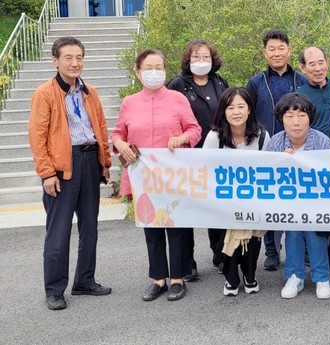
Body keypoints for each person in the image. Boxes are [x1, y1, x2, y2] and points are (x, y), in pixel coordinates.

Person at [28, 37, 113, 311]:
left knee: (90, 226)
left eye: (79, 57)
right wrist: (46, 173)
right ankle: (54, 289)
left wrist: (105, 162)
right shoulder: (45, 93)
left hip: (89, 159)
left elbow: (100, 127)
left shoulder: (90, 91)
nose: (75, 63)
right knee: (59, 230)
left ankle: (85, 280)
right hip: (62, 165)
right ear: (55, 60)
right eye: (68, 58)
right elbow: (37, 136)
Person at [112, 49, 201, 302]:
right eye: (148, 68)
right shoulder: (129, 102)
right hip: (143, 176)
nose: (154, 72)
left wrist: (182, 138)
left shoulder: (177, 99)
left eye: (159, 67)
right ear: (138, 73)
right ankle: (158, 278)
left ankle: (178, 278)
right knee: (151, 227)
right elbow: (118, 133)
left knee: (176, 226)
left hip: (173, 175)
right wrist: (120, 144)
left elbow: (194, 129)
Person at [167, 39, 229, 281]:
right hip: (186, 156)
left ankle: (220, 256)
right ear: (188, 60)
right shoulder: (177, 85)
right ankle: (187, 263)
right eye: (196, 57)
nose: (201, 61)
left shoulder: (220, 82)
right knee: (186, 209)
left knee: (216, 207)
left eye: (206, 57)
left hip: (216, 155)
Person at [246, 29, 306, 271]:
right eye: (272, 49)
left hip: (300, 148)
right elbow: (249, 115)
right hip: (269, 148)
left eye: (281, 48)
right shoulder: (256, 82)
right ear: (265, 53)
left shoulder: (302, 80)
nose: (277, 53)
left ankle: (302, 248)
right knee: (271, 201)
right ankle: (272, 250)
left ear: (289, 51)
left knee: (300, 199)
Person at [266, 93, 330, 299]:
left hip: (317, 202)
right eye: (289, 116)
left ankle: (322, 276)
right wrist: (280, 162)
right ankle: (295, 276)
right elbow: (267, 176)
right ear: (281, 119)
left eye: (301, 116)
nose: (296, 122)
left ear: (310, 118)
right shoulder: (276, 143)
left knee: (314, 232)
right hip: (288, 202)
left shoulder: (322, 141)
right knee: (293, 231)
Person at [202, 87, 268, 297]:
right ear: (223, 111)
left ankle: (250, 276)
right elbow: (204, 169)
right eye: (231, 108)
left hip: (253, 200)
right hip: (223, 201)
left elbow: (270, 169)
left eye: (241, 106)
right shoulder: (214, 137)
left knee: (252, 239)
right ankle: (231, 279)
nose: (236, 112)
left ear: (249, 109)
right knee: (226, 240)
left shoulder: (262, 136)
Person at [297, 46, 330, 277]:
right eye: (312, 64)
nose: (317, 68)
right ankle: (324, 254)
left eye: (321, 62)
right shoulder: (299, 95)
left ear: (327, 62)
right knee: (321, 209)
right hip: (315, 160)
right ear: (303, 68)